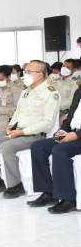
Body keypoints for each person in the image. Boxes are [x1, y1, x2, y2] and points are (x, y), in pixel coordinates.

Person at [0, 60, 61, 199]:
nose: (25, 74)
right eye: (26, 71)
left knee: (6, 146)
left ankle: (15, 185)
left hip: (34, 135)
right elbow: (17, 113)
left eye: (28, 72)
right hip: (17, 131)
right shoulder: (26, 92)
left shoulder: (51, 93)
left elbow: (48, 123)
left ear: (39, 74)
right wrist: (12, 125)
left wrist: (21, 132)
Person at [29, 83, 81, 214]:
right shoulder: (79, 91)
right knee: (38, 147)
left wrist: (76, 135)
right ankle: (49, 192)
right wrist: (62, 131)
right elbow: (71, 118)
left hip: (78, 136)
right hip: (71, 133)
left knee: (60, 150)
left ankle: (69, 198)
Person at [0, 65, 23, 131]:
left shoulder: (16, 89)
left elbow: (18, 109)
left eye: (1, 80)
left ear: (8, 77)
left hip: (7, 118)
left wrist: (2, 111)